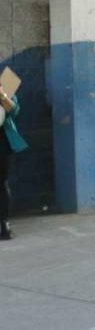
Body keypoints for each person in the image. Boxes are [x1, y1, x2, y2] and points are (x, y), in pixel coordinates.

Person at [0, 83, 27, 241]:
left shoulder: (5, 85)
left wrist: (3, 95)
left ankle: (4, 223)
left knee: (2, 182)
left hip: (2, 141)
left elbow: (15, 110)